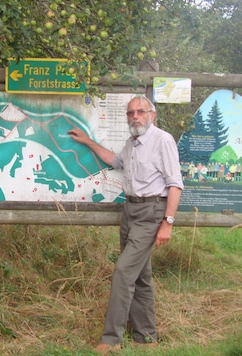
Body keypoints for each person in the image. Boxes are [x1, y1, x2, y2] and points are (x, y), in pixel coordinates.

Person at [68, 96, 183, 354]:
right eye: (130, 112)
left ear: (152, 114)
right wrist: (87, 142)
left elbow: (175, 184)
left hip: (151, 212)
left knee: (123, 272)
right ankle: (147, 336)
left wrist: (168, 223)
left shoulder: (162, 140)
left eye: (140, 111)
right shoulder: (132, 144)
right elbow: (114, 161)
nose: (135, 116)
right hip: (129, 211)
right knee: (140, 276)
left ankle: (111, 339)